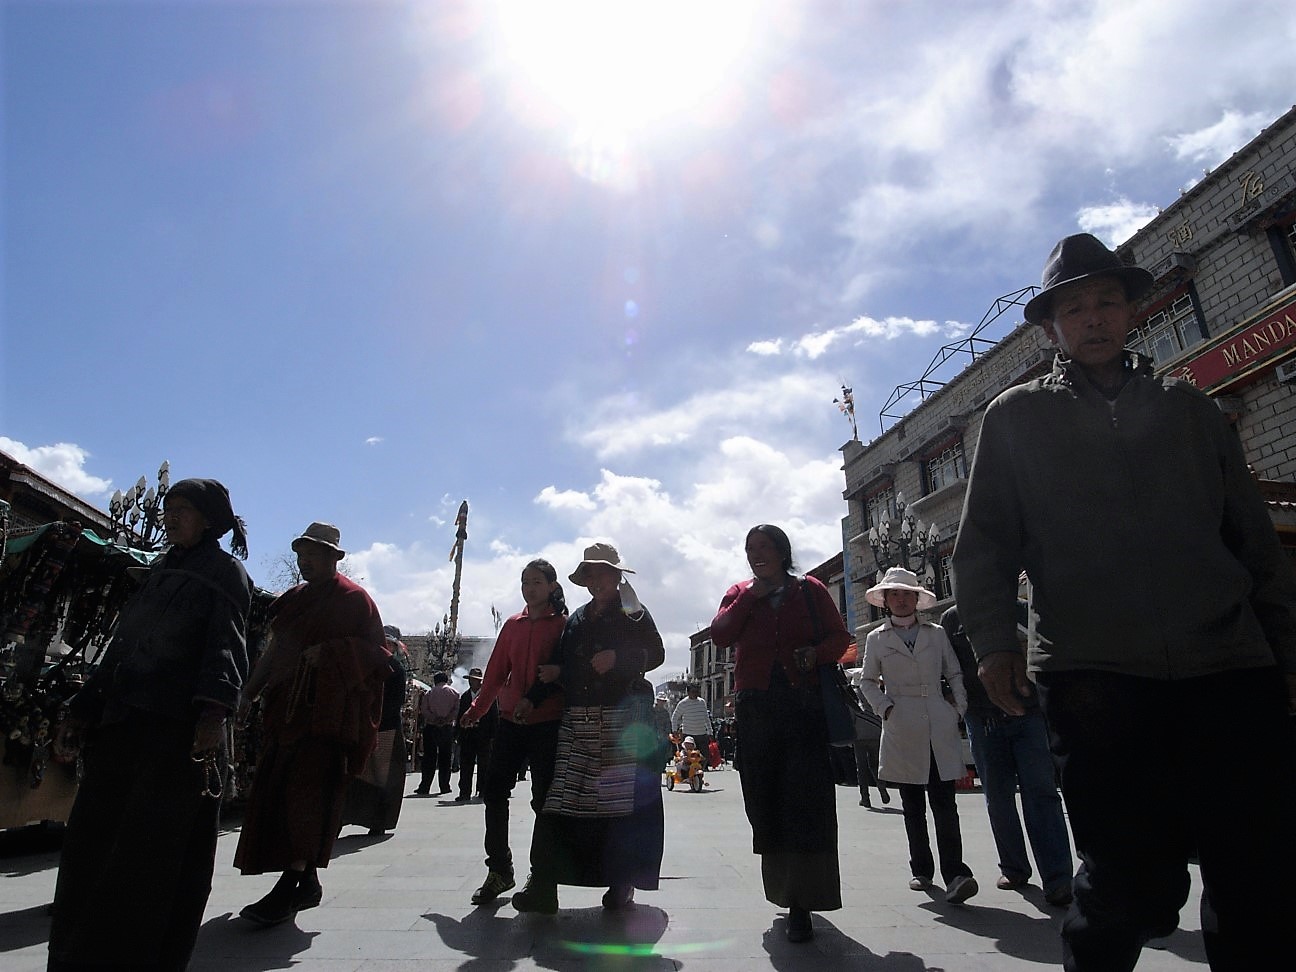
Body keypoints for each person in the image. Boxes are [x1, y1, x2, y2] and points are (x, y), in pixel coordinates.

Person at [953, 232, 1296, 971]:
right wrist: (995, 646)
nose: (1094, 318)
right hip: (1094, 676)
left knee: (1256, 879)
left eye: (1108, 300)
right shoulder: (1015, 420)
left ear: (1132, 310)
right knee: (1130, 885)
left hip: (1228, 669)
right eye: (1074, 307)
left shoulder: (1192, 411)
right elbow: (983, 547)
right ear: (1051, 327)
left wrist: (1284, 653)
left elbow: (1255, 547)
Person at [48, 478, 252, 971]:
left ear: (208, 520)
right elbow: (123, 647)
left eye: (182, 509)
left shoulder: (226, 573)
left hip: (176, 739)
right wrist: (84, 706)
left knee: (151, 862)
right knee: (93, 851)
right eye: (168, 508)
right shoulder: (161, 571)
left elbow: (226, 647)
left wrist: (212, 712)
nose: (171, 517)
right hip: (123, 731)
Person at [233, 521, 390, 927]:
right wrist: (249, 692)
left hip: (326, 720)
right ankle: (308, 880)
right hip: (285, 714)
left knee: (307, 797)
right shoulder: (293, 601)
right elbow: (275, 651)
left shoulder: (356, 601)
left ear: (334, 558)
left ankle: (289, 885)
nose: (306, 563)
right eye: (301, 556)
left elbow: (377, 655)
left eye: (314, 556)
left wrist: (335, 653)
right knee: (280, 794)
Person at [710, 524, 850, 943]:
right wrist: (750, 597)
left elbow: (840, 637)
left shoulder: (809, 590)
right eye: (749, 549)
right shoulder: (739, 593)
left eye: (764, 547)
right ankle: (783, 887)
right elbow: (720, 635)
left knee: (804, 799)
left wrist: (815, 653)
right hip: (756, 712)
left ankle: (801, 903)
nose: (756, 555)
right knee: (764, 796)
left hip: (803, 709)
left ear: (782, 551)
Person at [512, 542, 665, 915]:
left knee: (618, 808)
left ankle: (621, 883)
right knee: (560, 802)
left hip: (621, 722)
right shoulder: (577, 619)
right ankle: (544, 884)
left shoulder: (634, 615)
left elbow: (656, 653)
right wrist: (533, 695)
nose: (596, 580)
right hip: (578, 720)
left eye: (601, 572)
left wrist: (620, 658)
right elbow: (559, 664)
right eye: (590, 574)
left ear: (616, 576)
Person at [858, 567, 978, 905]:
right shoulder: (876, 639)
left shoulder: (936, 633)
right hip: (901, 722)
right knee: (912, 805)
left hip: (937, 717)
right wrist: (886, 709)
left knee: (944, 803)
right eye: (893, 594)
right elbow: (867, 681)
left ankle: (955, 872)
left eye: (906, 593)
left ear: (916, 598)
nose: (900, 599)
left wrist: (958, 708)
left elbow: (953, 671)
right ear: (884, 600)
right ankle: (921, 869)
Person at [940, 603, 1073, 906]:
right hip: (983, 717)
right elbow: (945, 665)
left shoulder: (1026, 610)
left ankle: (1058, 879)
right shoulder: (953, 618)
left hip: (1029, 715)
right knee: (998, 797)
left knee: (1042, 793)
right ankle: (1013, 868)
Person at [461, 559, 568, 906]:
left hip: (548, 723)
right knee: (493, 792)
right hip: (510, 721)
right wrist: (477, 709)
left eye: (536, 581)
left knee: (544, 800)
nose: (529, 588)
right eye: (525, 582)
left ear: (551, 586)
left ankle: (542, 875)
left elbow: (567, 674)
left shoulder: (564, 626)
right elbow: (494, 674)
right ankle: (500, 869)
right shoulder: (512, 625)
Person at [339, 626, 409, 836]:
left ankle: (369, 818)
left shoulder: (381, 666)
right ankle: (370, 819)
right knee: (371, 776)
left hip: (374, 726)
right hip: (380, 726)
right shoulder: (389, 666)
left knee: (374, 776)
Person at [454, 667, 496, 802]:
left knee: (484, 764)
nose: (473, 682)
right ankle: (464, 792)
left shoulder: (488, 697)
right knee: (466, 765)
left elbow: (494, 717)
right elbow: (460, 715)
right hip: (468, 735)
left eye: (476, 680)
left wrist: (493, 735)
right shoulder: (465, 696)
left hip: (483, 735)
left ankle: (482, 790)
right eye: (471, 680)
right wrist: (457, 734)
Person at [413, 671, 458, 796]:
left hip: (431, 727)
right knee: (445, 758)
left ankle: (425, 786)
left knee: (429, 758)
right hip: (447, 728)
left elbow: (424, 709)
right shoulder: (454, 693)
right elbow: (456, 710)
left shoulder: (429, 693)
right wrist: (446, 719)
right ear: (446, 680)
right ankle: (444, 786)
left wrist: (434, 719)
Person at [670, 683, 713, 765]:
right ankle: (688, 776)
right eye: (693, 692)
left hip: (701, 734)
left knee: (703, 758)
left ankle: (699, 776)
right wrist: (674, 730)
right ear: (688, 692)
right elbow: (675, 717)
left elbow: (706, 718)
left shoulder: (702, 702)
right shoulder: (683, 703)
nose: (695, 694)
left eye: (697, 692)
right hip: (688, 735)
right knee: (688, 759)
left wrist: (710, 732)